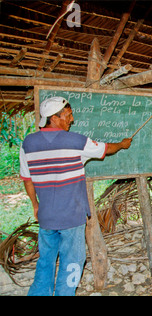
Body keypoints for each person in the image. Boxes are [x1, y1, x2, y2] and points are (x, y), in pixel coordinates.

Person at [20, 96, 132, 296]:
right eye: (68, 116)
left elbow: (27, 180)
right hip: (72, 217)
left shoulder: (28, 143)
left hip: (46, 217)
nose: (71, 120)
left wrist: (36, 206)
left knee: (45, 260)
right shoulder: (76, 142)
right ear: (54, 118)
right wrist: (122, 144)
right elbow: (107, 148)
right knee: (72, 261)